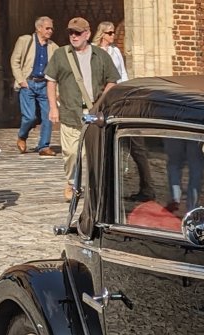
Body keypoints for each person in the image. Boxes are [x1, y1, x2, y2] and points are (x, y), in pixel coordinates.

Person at [46, 17, 119, 201]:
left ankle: (95, 186)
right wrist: (53, 108)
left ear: (87, 33)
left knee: (93, 152)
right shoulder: (61, 55)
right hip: (70, 111)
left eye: (77, 33)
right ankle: (71, 183)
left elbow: (112, 80)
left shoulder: (100, 56)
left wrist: (102, 101)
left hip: (94, 113)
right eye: (71, 32)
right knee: (71, 152)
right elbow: (51, 81)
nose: (74, 36)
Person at [10, 16, 57, 156]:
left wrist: (56, 89)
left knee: (48, 115)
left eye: (51, 28)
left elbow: (56, 70)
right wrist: (21, 80)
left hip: (45, 84)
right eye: (47, 28)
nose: (50, 31)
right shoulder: (25, 41)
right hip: (28, 83)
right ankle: (22, 136)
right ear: (39, 28)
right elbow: (15, 61)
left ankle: (44, 146)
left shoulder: (53, 47)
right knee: (29, 117)